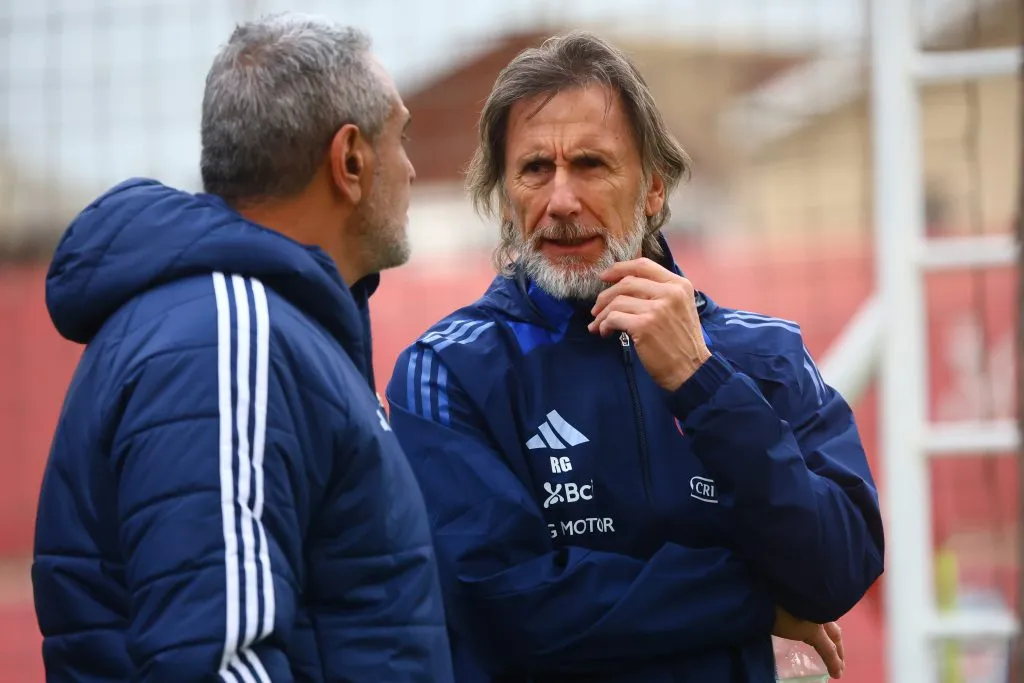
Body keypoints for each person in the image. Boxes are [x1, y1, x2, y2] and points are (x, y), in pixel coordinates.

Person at [385, 31, 884, 682]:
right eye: (536, 168)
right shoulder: (446, 370)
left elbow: (838, 567)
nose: (561, 201)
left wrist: (701, 383)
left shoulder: (763, 353)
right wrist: (755, 597)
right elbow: (513, 604)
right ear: (507, 195)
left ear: (652, 188)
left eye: (591, 164)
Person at [32, 14, 453, 683]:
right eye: (400, 136)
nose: (408, 165)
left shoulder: (253, 324)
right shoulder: (230, 335)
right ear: (349, 160)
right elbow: (219, 660)